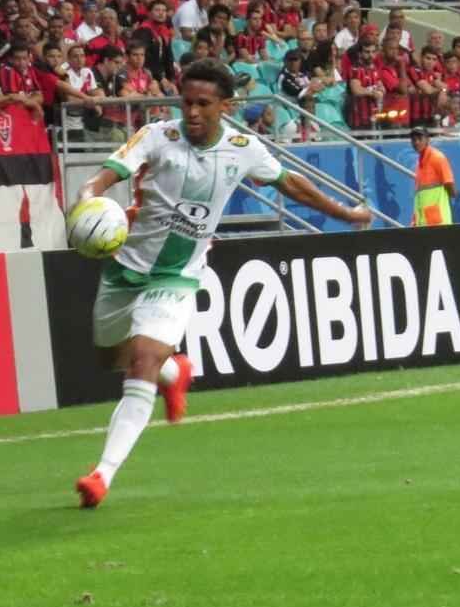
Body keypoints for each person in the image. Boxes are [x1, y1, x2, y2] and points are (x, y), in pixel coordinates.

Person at [72, 59, 374, 509]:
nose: (192, 112)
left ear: (225, 106)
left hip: (177, 275)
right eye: (187, 102)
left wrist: (345, 214)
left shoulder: (242, 147)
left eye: (203, 104)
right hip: (125, 266)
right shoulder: (158, 136)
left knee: (142, 361)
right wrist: (89, 193)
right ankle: (175, 373)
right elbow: (114, 168)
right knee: (110, 358)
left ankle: (102, 474)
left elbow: (292, 185)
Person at [410, 127, 456, 226]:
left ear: (427, 139)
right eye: (414, 140)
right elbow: (419, 195)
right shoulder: (419, 164)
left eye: (419, 138)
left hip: (437, 222)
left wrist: (453, 193)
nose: (416, 142)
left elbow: (449, 183)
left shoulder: (437, 157)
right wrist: (415, 219)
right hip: (423, 223)